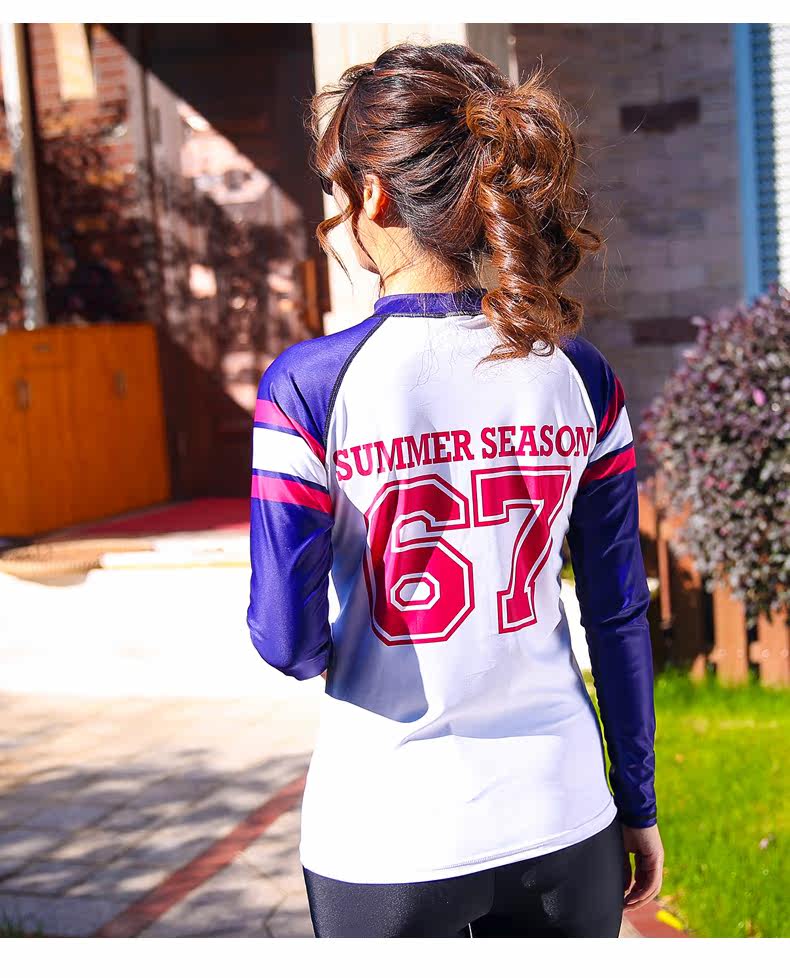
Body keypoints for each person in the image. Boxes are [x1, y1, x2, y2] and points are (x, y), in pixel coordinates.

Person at [247, 41, 663, 938]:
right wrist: (639, 803)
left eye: (336, 191)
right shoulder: (582, 376)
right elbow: (619, 613)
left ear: (375, 195)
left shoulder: (307, 386)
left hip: (386, 832)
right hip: (564, 817)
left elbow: (287, 642)